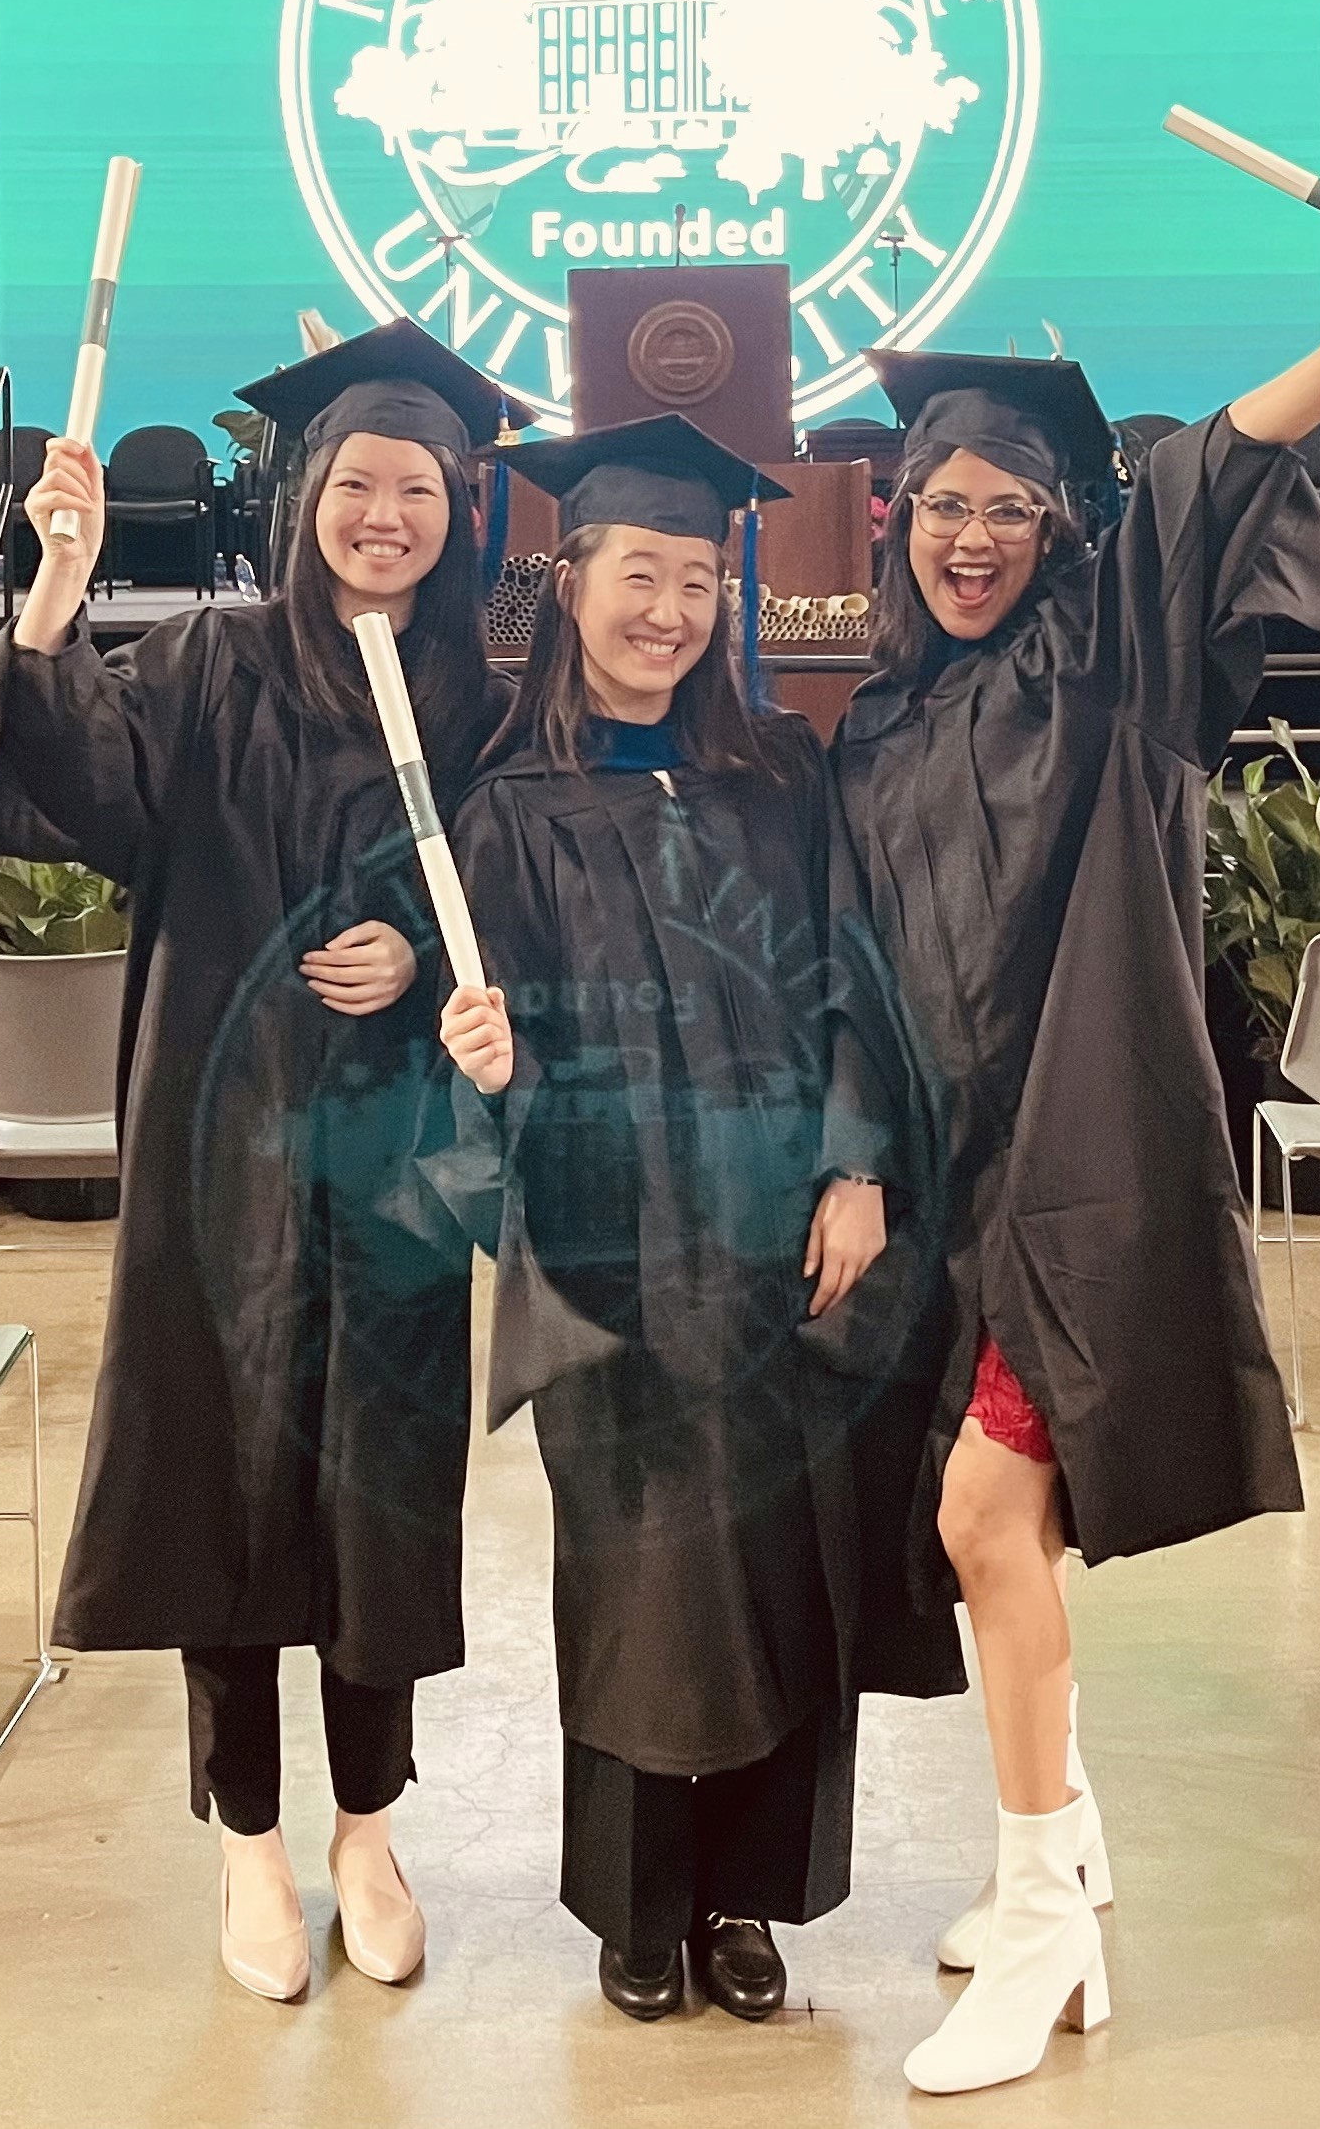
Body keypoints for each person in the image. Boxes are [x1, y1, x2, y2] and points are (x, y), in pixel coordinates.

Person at [831, 190, 1320, 2095]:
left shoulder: (1105, 660)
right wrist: (858, 1157)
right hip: (954, 1186)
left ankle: (1035, 1923)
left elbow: (1214, 472)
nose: (970, 536)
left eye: (1009, 507)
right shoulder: (874, 732)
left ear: (1059, 531)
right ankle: (1068, 1859)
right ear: (898, 518)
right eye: (942, 502)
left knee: (984, 1517)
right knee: (984, 1530)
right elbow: (858, 976)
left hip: (1089, 1173)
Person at [0, 322, 530, 2005]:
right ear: (305, 492)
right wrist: (54, 593)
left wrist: (415, 950)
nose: (385, 513)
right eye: (356, 482)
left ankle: (367, 1828)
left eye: (418, 487)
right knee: (224, 1476)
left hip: (386, 1150)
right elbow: (89, 792)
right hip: (219, 1134)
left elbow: (522, 890)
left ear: (462, 507)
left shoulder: (480, 699)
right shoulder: (210, 664)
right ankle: (250, 1837)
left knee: (378, 1483)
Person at [432, 415, 960, 2028]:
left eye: (691, 577)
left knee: (787, 1563)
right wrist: (493, 1066)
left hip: (787, 1233)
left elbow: (854, 968)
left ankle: (752, 1894)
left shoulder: (780, 771)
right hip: (610, 1248)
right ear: (571, 578)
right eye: (635, 574)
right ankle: (641, 1903)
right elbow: (471, 1066)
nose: (667, 608)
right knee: (643, 1572)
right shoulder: (511, 801)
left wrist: (860, 1160)